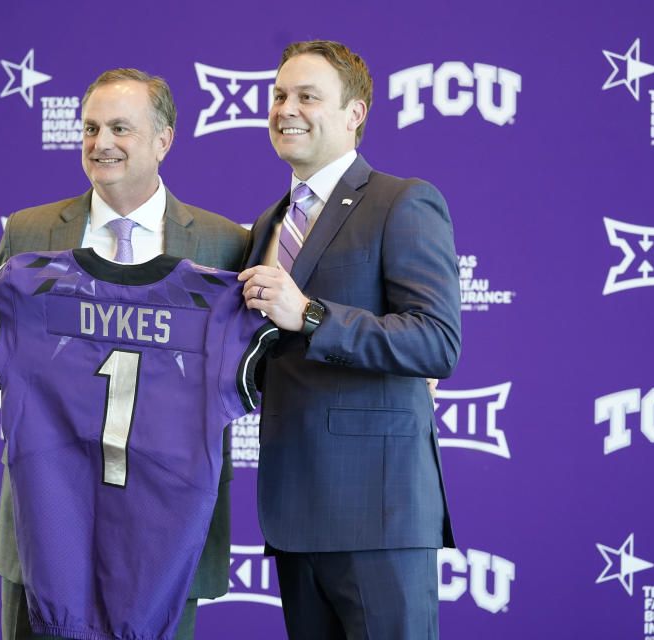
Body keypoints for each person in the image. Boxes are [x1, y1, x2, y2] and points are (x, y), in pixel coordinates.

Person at [0, 68, 247, 640]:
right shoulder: (30, 232)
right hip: (47, 526)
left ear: (164, 139)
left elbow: (257, 365)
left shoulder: (225, 243)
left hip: (167, 533)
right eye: (90, 127)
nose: (100, 142)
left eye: (120, 128)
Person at [237, 41, 461, 639]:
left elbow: (437, 341)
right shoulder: (268, 223)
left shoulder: (401, 201)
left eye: (309, 96)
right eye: (280, 94)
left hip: (378, 517)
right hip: (291, 515)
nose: (287, 108)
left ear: (355, 113)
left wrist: (309, 315)